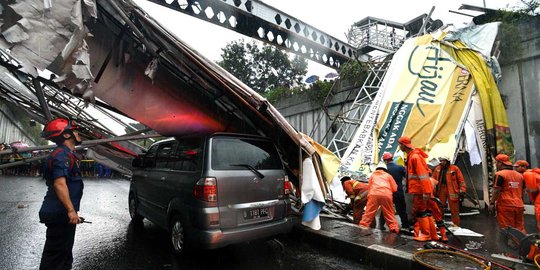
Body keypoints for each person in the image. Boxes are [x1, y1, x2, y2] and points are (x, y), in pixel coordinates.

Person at [39, 118, 84, 270]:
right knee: (54, 260)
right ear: (66, 135)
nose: (79, 133)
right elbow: (59, 184)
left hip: (62, 214)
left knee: (64, 256)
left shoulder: (66, 154)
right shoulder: (61, 155)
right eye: (75, 131)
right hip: (60, 213)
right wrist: (71, 211)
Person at [398, 136, 436, 241]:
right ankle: (433, 235)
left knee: (420, 212)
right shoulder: (413, 156)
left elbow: (423, 175)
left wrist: (426, 191)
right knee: (426, 211)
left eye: (399, 144)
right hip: (421, 190)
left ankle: (426, 234)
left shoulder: (414, 157)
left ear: (403, 145)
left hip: (420, 190)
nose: (399, 146)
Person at [359, 163, 399, 233]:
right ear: (385, 169)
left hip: (374, 194)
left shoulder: (373, 175)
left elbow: (369, 186)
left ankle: (363, 226)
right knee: (389, 213)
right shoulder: (388, 176)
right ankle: (394, 229)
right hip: (386, 195)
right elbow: (395, 188)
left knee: (369, 212)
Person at [489, 154, 525, 233]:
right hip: (519, 205)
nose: (496, 165)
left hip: (505, 205)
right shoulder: (520, 176)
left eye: (496, 163)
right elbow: (522, 191)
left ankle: (506, 245)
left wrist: (492, 203)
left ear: (500, 163)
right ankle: (521, 244)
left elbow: (496, 190)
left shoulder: (500, 174)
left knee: (506, 228)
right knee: (520, 228)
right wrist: (522, 204)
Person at [379, 152, 410, 230]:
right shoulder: (400, 167)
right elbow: (407, 178)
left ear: (385, 160)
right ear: (392, 158)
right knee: (401, 208)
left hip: (387, 191)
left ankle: (381, 225)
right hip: (398, 191)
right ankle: (405, 225)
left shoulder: (384, 169)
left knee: (385, 208)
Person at [433, 155, 466, 226]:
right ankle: (439, 223)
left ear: (447, 161)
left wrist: (462, 189)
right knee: (440, 207)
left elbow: (461, 180)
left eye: (443, 160)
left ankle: (456, 224)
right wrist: (433, 190)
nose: (442, 162)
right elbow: (433, 180)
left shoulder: (454, 168)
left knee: (454, 208)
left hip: (452, 190)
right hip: (441, 189)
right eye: (441, 160)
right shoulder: (437, 169)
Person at [515, 160, 540, 233]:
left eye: (517, 167)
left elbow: (533, 190)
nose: (516, 169)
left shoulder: (527, 174)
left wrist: (527, 190)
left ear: (523, 167)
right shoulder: (532, 172)